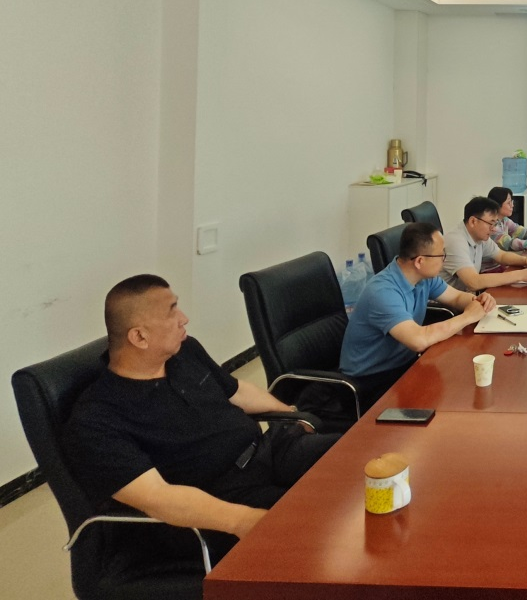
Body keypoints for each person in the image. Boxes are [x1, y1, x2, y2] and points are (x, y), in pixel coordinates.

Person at [63, 274, 338, 563]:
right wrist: (244, 521)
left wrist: (290, 414)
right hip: (223, 496)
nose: (184, 319)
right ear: (139, 337)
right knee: (327, 522)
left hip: (269, 451)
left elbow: (237, 391)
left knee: (355, 462)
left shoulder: (185, 352)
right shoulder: (97, 419)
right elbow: (157, 497)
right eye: (172, 312)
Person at [340, 221, 497, 405]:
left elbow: (456, 298)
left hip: (405, 366)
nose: (444, 260)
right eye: (441, 255)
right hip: (371, 382)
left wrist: (478, 301)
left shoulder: (423, 277)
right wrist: (468, 316)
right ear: (420, 261)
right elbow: (418, 340)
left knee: (460, 387)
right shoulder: (382, 292)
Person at [442, 195, 527, 291]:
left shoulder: (479, 236)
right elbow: (473, 282)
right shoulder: (455, 241)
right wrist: (522, 275)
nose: (493, 229)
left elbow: (501, 256)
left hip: (465, 296)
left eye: (495, 224)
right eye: (490, 223)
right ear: (473, 221)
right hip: (446, 304)